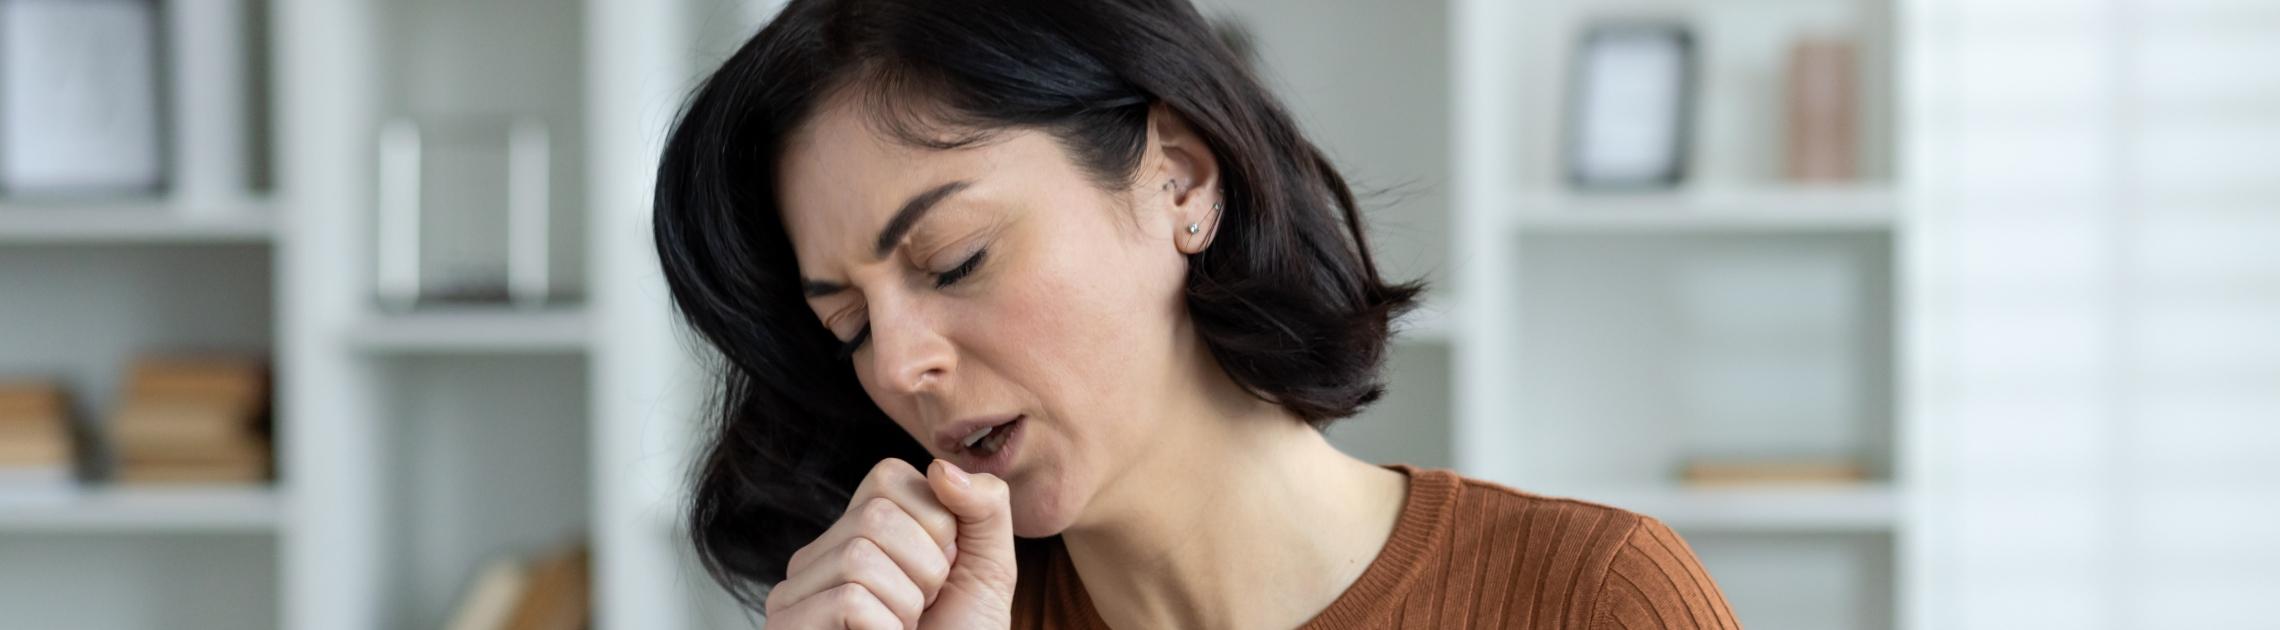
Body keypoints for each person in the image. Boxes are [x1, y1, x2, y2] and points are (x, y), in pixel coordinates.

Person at [652, 0, 1739, 627]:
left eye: (954, 260)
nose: (896, 365)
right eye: (845, 324)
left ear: (1179, 180)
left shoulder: (1590, 601)